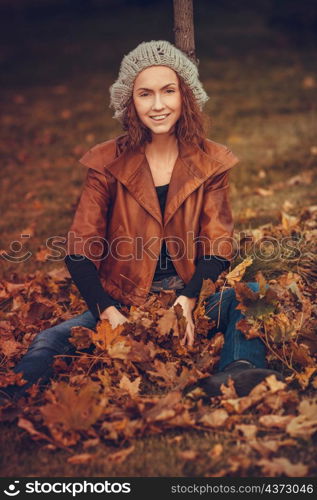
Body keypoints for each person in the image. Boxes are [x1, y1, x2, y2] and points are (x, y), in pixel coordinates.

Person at [0, 40, 283, 405]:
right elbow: (78, 251)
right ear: (130, 101)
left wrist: (188, 300)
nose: (158, 105)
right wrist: (107, 311)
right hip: (124, 300)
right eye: (145, 94)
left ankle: (238, 369)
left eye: (169, 91)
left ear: (186, 96)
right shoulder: (106, 162)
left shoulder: (211, 161)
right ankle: (15, 390)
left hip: (187, 293)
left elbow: (218, 247)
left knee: (252, 297)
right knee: (51, 340)